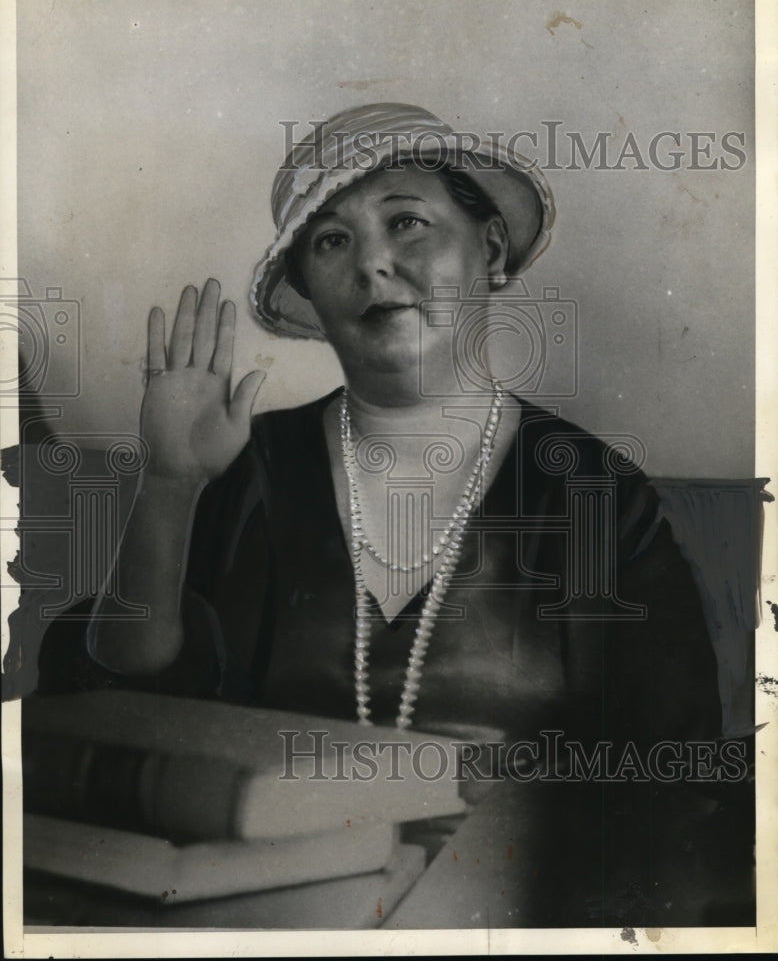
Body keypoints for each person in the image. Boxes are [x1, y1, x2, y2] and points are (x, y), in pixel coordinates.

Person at [35, 103, 750, 926]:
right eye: (332, 240)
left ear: (487, 250)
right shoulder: (245, 466)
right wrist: (168, 485)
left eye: (406, 221)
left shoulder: (591, 491)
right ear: (308, 286)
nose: (373, 263)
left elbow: (677, 779)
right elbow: (118, 705)